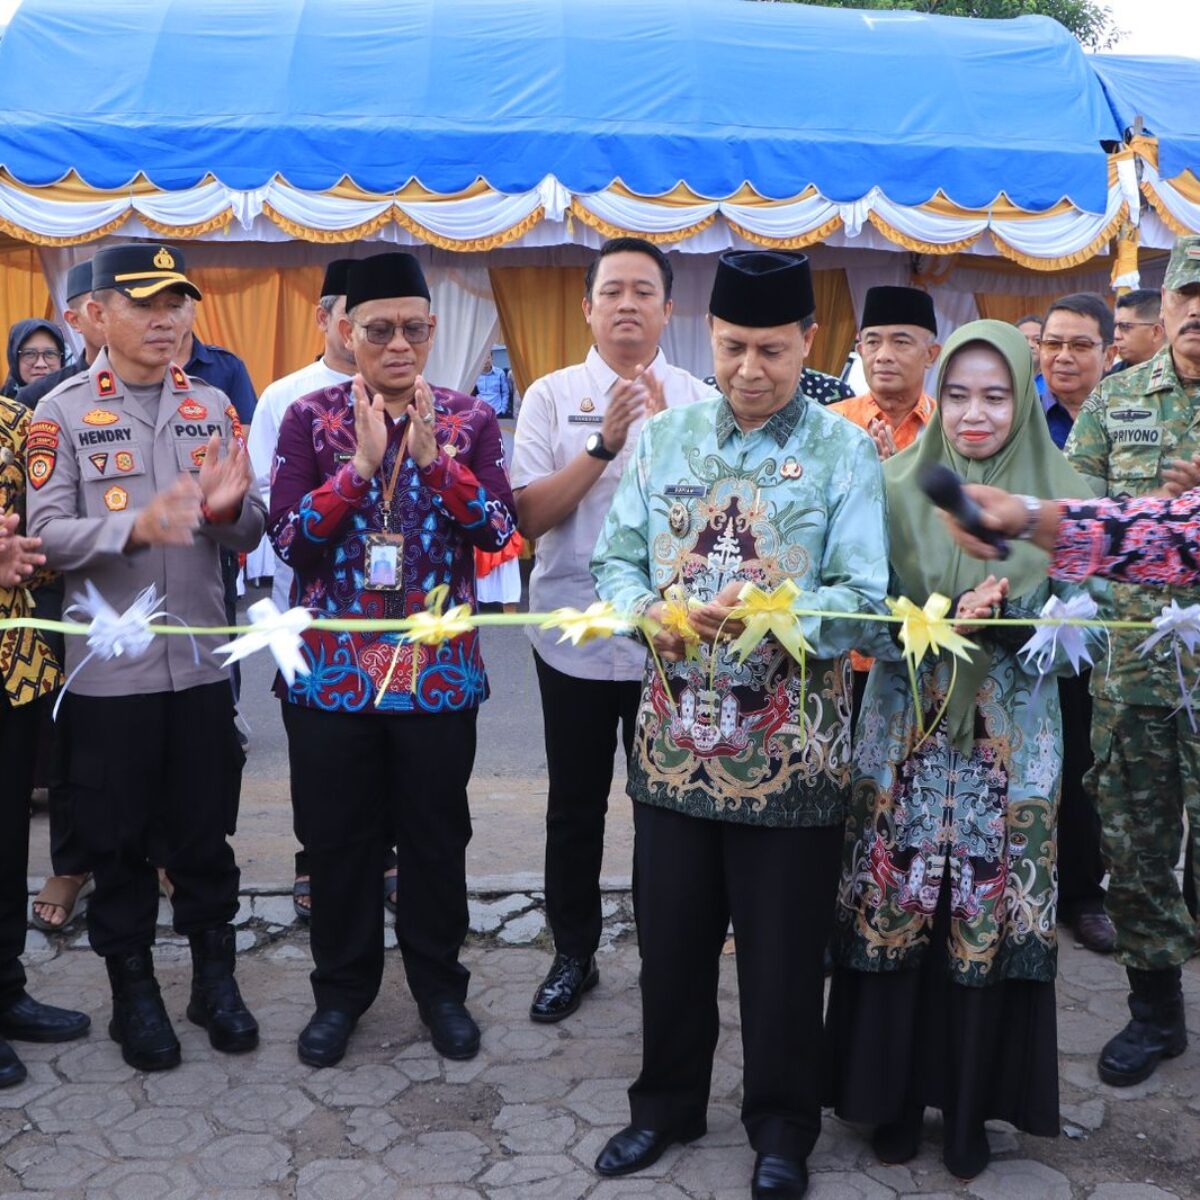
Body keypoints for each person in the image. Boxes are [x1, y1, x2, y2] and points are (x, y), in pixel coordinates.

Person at [591, 250, 891, 1198]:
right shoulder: (666, 439)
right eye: (731, 348)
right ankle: (666, 1106)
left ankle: (783, 1126)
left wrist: (770, 614)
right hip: (675, 750)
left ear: (809, 341)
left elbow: (864, 599)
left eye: (771, 349)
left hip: (793, 758)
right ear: (708, 338)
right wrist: (645, 610)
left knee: (783, 959)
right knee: (672, 947)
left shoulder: (845, 451)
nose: (749, 369)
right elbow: (615, 562)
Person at [827, 320, 1098, 1181]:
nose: (975, 414)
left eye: (996, 396)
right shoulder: (890, 486)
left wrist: (1017, 620)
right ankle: (892, 1098)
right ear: (937, 399)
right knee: (900, 900)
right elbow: (857, 609)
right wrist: (931, 619)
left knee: (982, 909)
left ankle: (973, 1106)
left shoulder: (1067, 496)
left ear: (1025, 400)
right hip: (903, 745)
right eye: (958, 395)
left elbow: (1087, 633)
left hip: (1010, 752)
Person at [269, 252, 517, 1069]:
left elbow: (498, 529)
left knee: (436, 840)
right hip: (330, 679)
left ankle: (440, 989)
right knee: (337, 842)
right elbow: (290, 539)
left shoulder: (470, 420)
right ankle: (341, 994)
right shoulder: (310, 419)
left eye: (414, 328)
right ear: (348, 331)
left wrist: (437, 464)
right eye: (380, 330)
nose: (398, 344)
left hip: (435, 680)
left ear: (433, 330)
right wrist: (361, 470)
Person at [26, 243, 265, 1073]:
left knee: (204, 835)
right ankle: (134, 994)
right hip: (109, 675)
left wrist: (229, 513)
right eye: (146, 304)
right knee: (117, 840)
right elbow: (45, 536)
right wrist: (135, 526)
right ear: (97, 314)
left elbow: (248, 526)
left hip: (199, 664)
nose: (166, 320)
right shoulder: (59, 412)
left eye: (177, 303)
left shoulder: (211, 404)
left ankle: (214, 983)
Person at [511, 236, 714, 1025]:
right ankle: (574, 953)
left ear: (669, 310)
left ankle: (669, 957)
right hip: (574, 639)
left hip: (675, 641)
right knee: (575, 805)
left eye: (643, 292)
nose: (627, 304)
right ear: (587, 308)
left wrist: (665, 444)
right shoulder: (551, 396)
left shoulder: (698, 398)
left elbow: (720, 524)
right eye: (612, 291)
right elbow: (529, 516)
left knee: (670, 810)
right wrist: (605, 443)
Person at [1062, 234, 1200, 1087]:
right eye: (1189, 297)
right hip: (1136, 673)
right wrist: (1151, 515)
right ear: (1167, 306)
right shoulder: (1116, 402)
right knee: (1139, 846)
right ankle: (1155, 1013)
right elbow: (1070, 516)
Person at [0, 392, 90, 1087]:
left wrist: (30, 555)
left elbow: (51, 538)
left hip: (15, 667)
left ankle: (6, 989)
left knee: (7, 843)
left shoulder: (18, 422)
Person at [1031, 293, 1119, 954]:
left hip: (1103, 621)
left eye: (1080, 345)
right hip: (1024, 614)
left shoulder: (1126, 417)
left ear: (1109, 353)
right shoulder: (1016, 414)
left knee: (1086, 762)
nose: (1063, 356)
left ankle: (1084, 894)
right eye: (1052, 343)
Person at [20, 261, 101, 932]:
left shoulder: (204, 388)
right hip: (65, 597)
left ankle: (163, 854)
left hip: (171, 598)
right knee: (72, 737)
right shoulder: (43, 401)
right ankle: (72, 864)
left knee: (179, 739)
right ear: (85, 316)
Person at [828, 285, 940, 718]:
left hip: (921, 637)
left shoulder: (948, 431)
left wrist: (898, 483)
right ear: (859, 349)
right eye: (872, 342)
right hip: (840, 643)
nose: (883, 355)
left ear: (931, 354)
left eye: (901, 342)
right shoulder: (831, 426)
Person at [247, 259, 355, 614]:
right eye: (352, 314)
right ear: (323, 318)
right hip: (305, 584)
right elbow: (261, 486)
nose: (363, 327)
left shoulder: (414, 396)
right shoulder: (284, 395)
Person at [16, 261, 102, 409]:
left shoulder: (145, 383)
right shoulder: (39, 395)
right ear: (74, 320)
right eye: (98, 311)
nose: (40, 364)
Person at [3, 319, 67, 400]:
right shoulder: (3, 406)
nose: (41, 364)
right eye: (29, 354)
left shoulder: (78, 403)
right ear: (14, 359)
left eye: (50, 353)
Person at [1112, 289, 1166, 372]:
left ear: (1156, 332)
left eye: (1125, 326)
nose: (1116, 336)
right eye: (1115, 326)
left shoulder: (1183, 372)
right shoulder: (1112, 376)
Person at [1014, 313, 1049, 398]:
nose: (1030, 345)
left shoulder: (1055, 379)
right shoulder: (1004, 376)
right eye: (1023, 339)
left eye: (1037, 340)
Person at [472, 350, 514, 418]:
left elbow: (505, 392)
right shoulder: (475, 374)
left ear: (492, 358)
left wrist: (503, 410)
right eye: (483, 358)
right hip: (480, 413)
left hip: (497, 412)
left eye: (488, 357)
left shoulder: (500, 373)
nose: (485, 360)